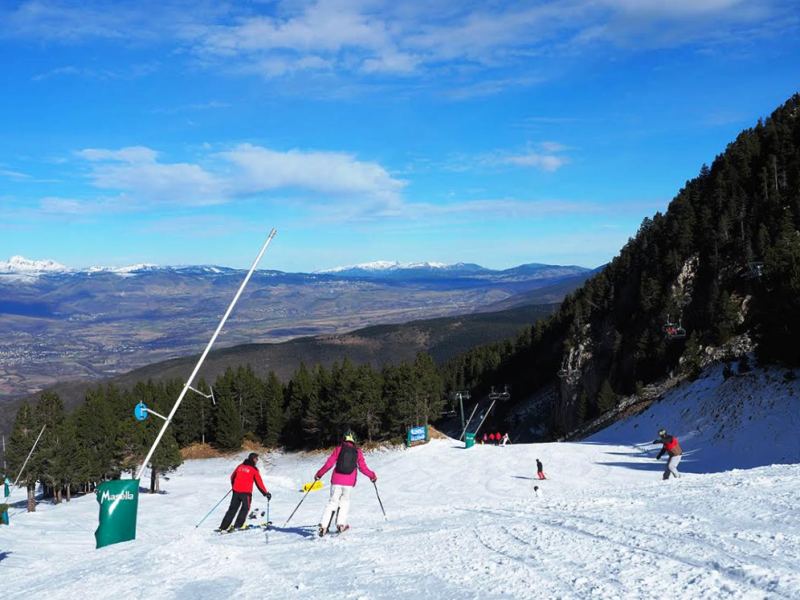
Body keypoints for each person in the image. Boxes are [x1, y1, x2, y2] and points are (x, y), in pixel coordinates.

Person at [314, 431, 377, 536]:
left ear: (344, 439)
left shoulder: (338, 449)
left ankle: (323, 527)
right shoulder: (358, 451)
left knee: (332, 502)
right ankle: (341, 525)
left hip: (336, 481)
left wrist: (319, 474)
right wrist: (372, 475)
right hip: (349, 483)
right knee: (345, 502)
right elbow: (363, 467)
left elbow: (329, 464)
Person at [218, 452, 270, 531]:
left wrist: (234, 486)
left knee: (232, 509)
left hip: (236, 491)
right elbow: (259, 483)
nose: (257, 460)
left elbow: (232, 477)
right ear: (253, 459)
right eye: (256, 459)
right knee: (245, 508)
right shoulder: (254, 470)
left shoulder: (240, 466)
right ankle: (238, 525)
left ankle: (223, 527)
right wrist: (265, 493)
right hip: (246, 493)